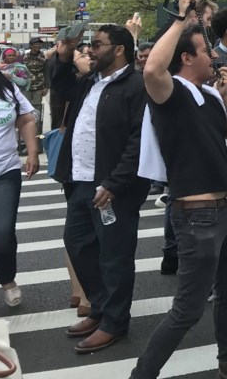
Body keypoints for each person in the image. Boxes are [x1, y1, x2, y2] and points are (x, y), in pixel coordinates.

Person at [129, 0, 227, 379]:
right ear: (186, 58)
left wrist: (225, 97)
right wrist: (183, 20)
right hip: (198, 215)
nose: (214, 57)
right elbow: (152, 69)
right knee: (188, 309)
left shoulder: (208, 94)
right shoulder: (170, 93)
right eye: (205, 52)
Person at [51, 24, 150, 354]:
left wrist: (115, 182)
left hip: (112, 188)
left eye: (97, 44)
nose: (90, 49)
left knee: (114, 256)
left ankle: (114, 323)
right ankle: (100, 308)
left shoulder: (136, 84)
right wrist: (63, 58)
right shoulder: (92, 81)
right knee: (78, 244)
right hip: (79, 181)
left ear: (119, 49)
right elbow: (60, 88)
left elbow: (140, 140)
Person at [0, 48, 39, 311]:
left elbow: (27, 119)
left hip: (3, 172)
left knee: (0, 232)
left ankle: (7, 279)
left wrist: (32, 152)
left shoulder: (6, 87)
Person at [22, 37, 47, 130]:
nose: (38, 46)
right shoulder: (24, 56)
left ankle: (37, 130)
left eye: (40, 44)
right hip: (26, 86)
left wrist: (47, 87)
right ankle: (27, 128)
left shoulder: (43, 56)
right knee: (26, 108)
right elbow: (20, 70)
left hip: (39, 86)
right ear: (31, 45)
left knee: (37, 108)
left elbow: (46, 71)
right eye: (36, 44)